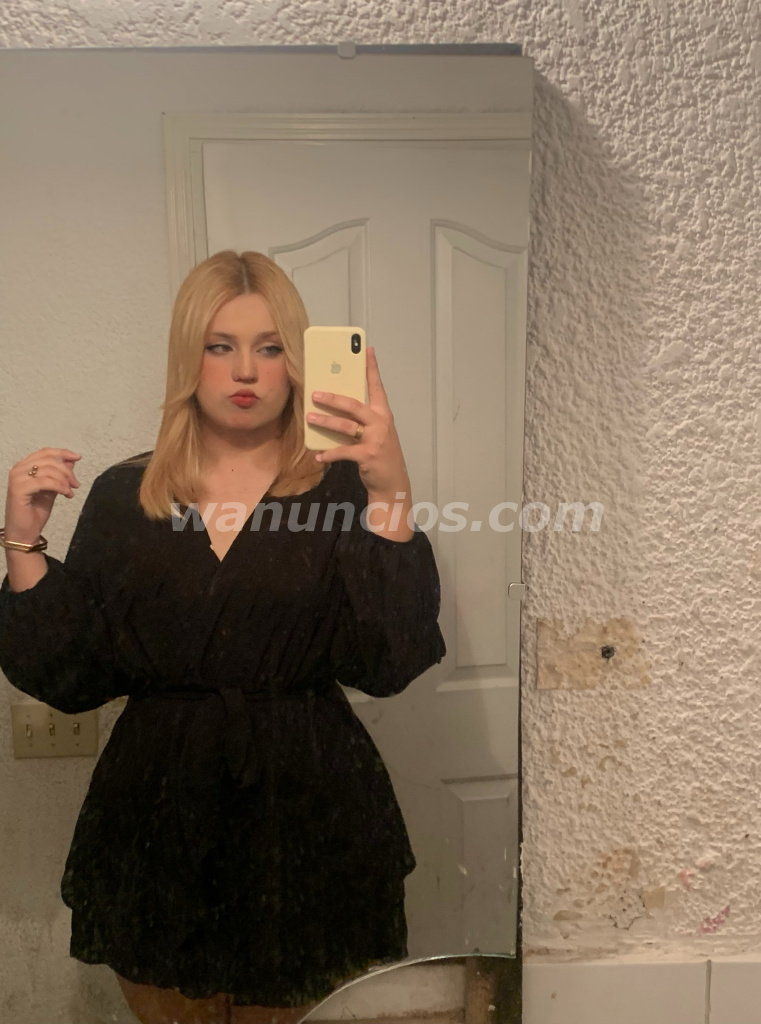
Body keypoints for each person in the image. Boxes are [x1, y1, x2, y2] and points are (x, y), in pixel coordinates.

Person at [0, 251, 446, 1024]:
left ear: (298, 362)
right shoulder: (125, 495)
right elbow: (73, 676)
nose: (246, 370)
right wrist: (23, 542)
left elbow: (390, 660)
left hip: (307, 803)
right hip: (158, 808)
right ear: (188, 358)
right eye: (220, 345)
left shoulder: (342, 489)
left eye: (271, 347)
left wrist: (390, 491)